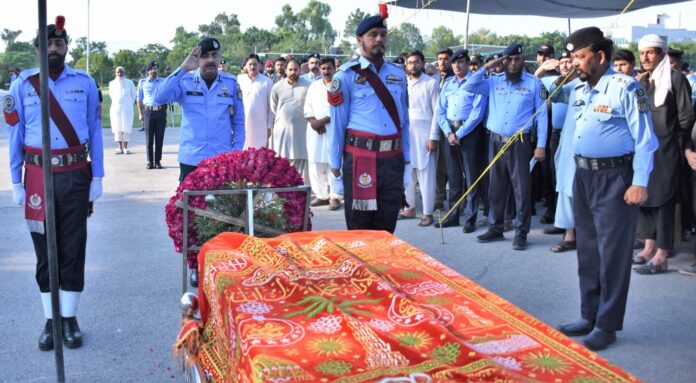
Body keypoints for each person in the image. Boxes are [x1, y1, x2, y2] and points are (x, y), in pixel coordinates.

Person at [553, 27, 657, 351]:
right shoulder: (581, 89)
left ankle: (607, 324)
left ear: (599, 56)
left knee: (612, 254)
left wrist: (639, 182)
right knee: (587, 250)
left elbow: (645, 140)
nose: (575, 64)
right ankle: (589, 315)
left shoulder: (625, 87)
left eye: (580, 57)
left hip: (615, 178)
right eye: (572, 58)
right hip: (584, 176)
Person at [5, 16, 104, 350]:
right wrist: (15, 181)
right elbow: (15, 135)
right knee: (44, 251)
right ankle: (50, 319)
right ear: (37, 48)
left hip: (75, 175)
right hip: (36, 177)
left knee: (73, 247)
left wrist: (98, 176)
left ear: (66, 48)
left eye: (59, 44)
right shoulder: (22, 85)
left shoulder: (85, 82)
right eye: (47, 44)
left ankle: (70, 319)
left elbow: (95, 130)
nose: (53, 49)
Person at [154, 37, 245, 286]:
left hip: (222, 159)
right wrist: (184, 66)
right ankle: (195, 263)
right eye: (205, 56)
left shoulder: (230, 82)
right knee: (192, 215)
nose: (211, 61)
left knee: (224, 213)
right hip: (192, 160)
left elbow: (239, 122)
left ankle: (221, 262)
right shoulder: (184, 80)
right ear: (198, 58)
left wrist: (236, 154)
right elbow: (159, 97)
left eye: (215, 56)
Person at [328, 11, 410, 233]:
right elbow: (337, 124)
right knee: (359, 228)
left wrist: (408, 159)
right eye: (373, 34)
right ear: (359, 40)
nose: (379, 39)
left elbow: (404, 120)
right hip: (359, 158)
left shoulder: (398, 74)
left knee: (387, 225)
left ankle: (381, 269)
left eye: (383, 34)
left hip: (392, 159)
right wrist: (334, 164)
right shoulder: (344, 76)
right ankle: (360, 269)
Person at [464, 43, 548, 250]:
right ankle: (496, 227)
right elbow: (468, 86)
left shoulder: (534, 84)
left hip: (519, 143)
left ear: (523, 60)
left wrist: (541, 145)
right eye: (508, 59)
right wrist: (488, 66)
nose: (512, 63)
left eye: (516, 59)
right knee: (495, 187)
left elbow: (542, 116)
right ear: (503, 61)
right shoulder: (493, 81)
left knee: (521, 190)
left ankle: (521, 232)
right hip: (495, 141)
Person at [632, 35, 695, 275]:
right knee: (645, 196)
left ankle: (662, 253)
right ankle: (648, 246)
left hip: (668, 148)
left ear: (662, 54)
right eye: (643, 52)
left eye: (652, 52)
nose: (646, 57)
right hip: (645, 147)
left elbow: (686, 116)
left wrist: (680, 145)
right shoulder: (641, 81)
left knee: (664, 198)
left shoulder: (676, 79)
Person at [435, 49, 487, 231]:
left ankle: (471, 218)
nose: (457, 65)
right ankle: (453, 215)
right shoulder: (448, 83)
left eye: (461, 62)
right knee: (454, 176)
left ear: (467, 63)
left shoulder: (476, 82)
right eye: (454, 62)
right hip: (450, 131)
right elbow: (440, 110)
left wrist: (460, 134)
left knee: (472, 176)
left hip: (469, 132)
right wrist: (449, 133)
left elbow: (477, 112)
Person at [536, 50, 579, 249]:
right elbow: (533, 86)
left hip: (585, 143)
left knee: (577, 187)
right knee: (559, 183)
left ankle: (580, 231)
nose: (565, 65)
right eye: (561, 62)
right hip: (560, 136)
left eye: (569, 61)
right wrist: (542, 69)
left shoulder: (588, 83)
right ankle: (565, 229)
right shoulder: (560, 83)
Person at [399, 50, 441, 226]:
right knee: (408, 172)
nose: (413, 65)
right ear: (406, 65)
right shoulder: (403, 83)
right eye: (410, 63)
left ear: (422, 63)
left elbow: (437, 111)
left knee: (426, 174)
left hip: (425, 134)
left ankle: (428, 213)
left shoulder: (431, 83)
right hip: (407, 134)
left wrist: (433, 137)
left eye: (416, 62)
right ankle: (409, 208)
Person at [304, 57, 342, 210]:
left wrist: (323, 121)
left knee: (333, 161)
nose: (326, 71)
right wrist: (314, 121)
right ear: (320, 69)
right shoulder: (314, 86)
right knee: (316, 162)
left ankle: (335, 196)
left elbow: (339, 108)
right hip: (315, 130)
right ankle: (321, 195)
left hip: (333, 128)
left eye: (329, 68)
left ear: (334, 69)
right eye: (324, 68)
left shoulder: (339, 85)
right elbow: (307, 106)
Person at [270, 58, 311, 182]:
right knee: (283, 159)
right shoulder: (277, 87)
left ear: (300, 70)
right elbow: (274, 108)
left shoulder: (309, 85)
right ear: (286, 71)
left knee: (303, 160)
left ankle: (302, 191)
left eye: (296, 69)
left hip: (302, 131)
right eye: (290, 69)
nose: (293, 72)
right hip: (283, 131)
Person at [432, 47, 454, 212]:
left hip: (451, 128)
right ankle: (439, 198)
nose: (442, 62)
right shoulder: (432, 77)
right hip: (434, 127)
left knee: (451, 166)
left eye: (446, 58)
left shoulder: (456, 79)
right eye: (440, 58)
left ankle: (456, 200)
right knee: (438, 166)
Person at [238, 53, 274, 149]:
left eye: (255, 64)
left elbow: (271, 106)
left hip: (260, 125)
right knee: (243, 152)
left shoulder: (267, 82)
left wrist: (269, 126)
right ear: (245, 66)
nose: (252, 67)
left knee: (259, 155)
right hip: (243, 123)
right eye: (250, 64)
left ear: (260, 66)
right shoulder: (239, 80)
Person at [137, 61, 167, 169]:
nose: (154, 70)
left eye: (156, 68)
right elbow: (139, 99)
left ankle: (158, 161)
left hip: (160, 111)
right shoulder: (142, 82)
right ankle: (150, 161)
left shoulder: (163, 81)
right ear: (148, 71)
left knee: (159, 138)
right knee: (149, 139)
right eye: (152, 68)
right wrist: (140, 113)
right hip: (148, 112)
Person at [108, 66, 137, 154]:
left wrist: (128, 105)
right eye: (118, 72)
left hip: (127, 109)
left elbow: (133, 95)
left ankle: (126, 147)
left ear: (124, 73)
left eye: (121, 72)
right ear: (115, 73)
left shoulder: (130, 83)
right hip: (116, 108)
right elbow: (112, 96)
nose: (120, 74)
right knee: (117, 128)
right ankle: (119, 147)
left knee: (126, 127)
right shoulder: (112, 83)